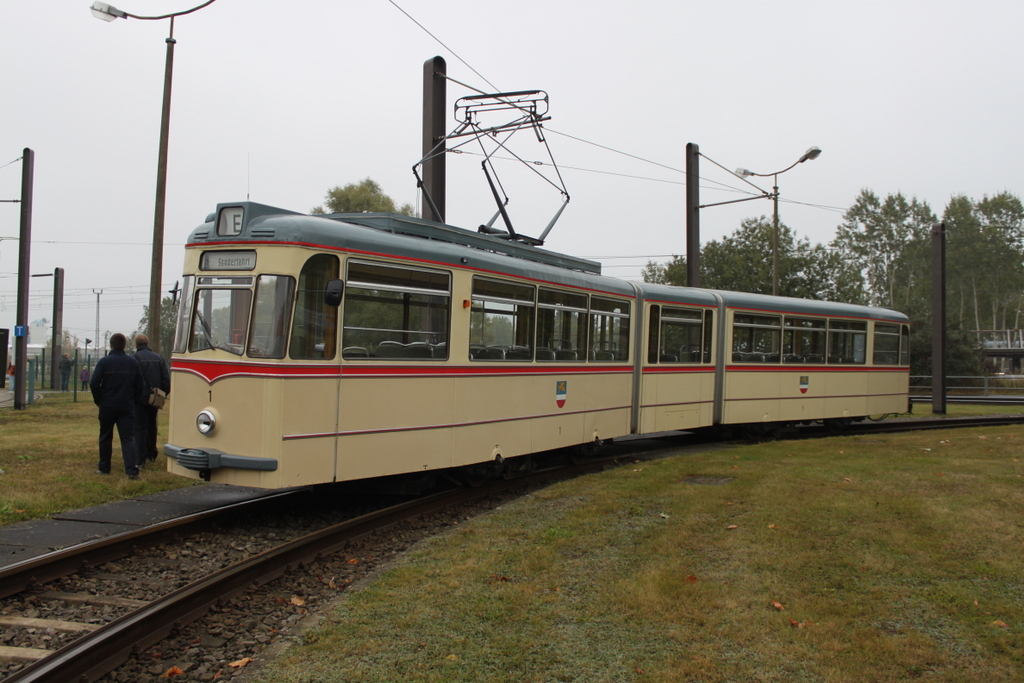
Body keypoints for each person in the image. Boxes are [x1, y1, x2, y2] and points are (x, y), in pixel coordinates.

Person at [89, 333, 146, 480]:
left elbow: (94, 383)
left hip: (107, 405)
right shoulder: (132, 362)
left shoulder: (104, 362)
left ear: (111, 345)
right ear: (124, 345)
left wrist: (99, 399)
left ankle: (104, 467)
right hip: (126, 405)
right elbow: (140, 385)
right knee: (128, 438)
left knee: (105, 436)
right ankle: (132, 470)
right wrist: (134, 400)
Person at [132, 334, 171, 468]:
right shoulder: (159, 358)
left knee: (140, 428)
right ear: (147, 343)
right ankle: (151, 453)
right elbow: (166, 380)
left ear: (136, 344)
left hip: (140, 399)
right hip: (155, 398)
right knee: (152, 426)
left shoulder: (135, 358)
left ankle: (140, 459)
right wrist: (162, 394)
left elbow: (134, 380)